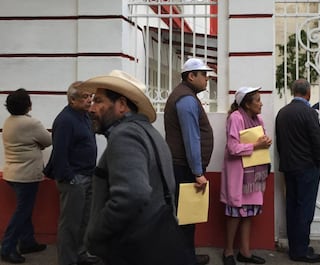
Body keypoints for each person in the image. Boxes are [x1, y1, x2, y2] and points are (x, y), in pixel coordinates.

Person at [80, 70, 188, 265]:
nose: (91, 108)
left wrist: (95, 234)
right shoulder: (149, 133)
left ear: (121, 105)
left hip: (133, 248)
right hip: (155, 241)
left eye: (99, 101)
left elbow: (132, 195)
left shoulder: (125, 135)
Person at [164, 57, 214, 265]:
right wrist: (198, 172)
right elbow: (191, 138)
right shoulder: (185, 99)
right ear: (191, 76)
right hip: (184, 168)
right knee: (185, 218)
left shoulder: (186, 96)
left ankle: (187, 256)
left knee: (187, 217)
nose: (207, 79)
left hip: (184, 167)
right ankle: (184, 259)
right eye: (204, 75)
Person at [43, 82, 98, 265]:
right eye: (85, 96)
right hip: (74, 179)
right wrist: (70, 178)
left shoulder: (84, 116)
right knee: (70, 225)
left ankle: (81, 254)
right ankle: (67, 261)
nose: (90, 99)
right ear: (72, 99)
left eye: (90, 96)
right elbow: (59, 153)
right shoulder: (65, 120)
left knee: (84, 221)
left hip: (88, 176)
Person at [275, 79, 320, 263]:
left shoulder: (282, 112)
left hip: (289, 167)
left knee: (292, 207)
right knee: (305, 209)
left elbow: (280, 142)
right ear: (308, 93)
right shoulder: (309, 112)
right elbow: (317, 140)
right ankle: (301, 250)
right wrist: (319, 160)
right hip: (307, 167)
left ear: (293, 91)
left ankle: (295, 246)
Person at [220, 86, 272, 265]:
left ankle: (245, 252)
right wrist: (256, 146)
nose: (261, 103)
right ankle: (228, 252)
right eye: (257, 100)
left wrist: (265, 141)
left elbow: (261, 140)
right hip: (239, 174)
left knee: (249, 212)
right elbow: (233, 148)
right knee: (235, 213)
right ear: (247, 104)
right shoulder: (235, 118)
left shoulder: (258, 119)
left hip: (253, 176)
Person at [1, 88, 51, 264]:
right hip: (26, 175)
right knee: (22, 212)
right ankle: (7, 247)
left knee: (25, 209)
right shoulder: (30, 123)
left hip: (12, 174)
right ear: (28, 105)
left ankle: (27, 242)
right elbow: (48, 140)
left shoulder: (8, 122)